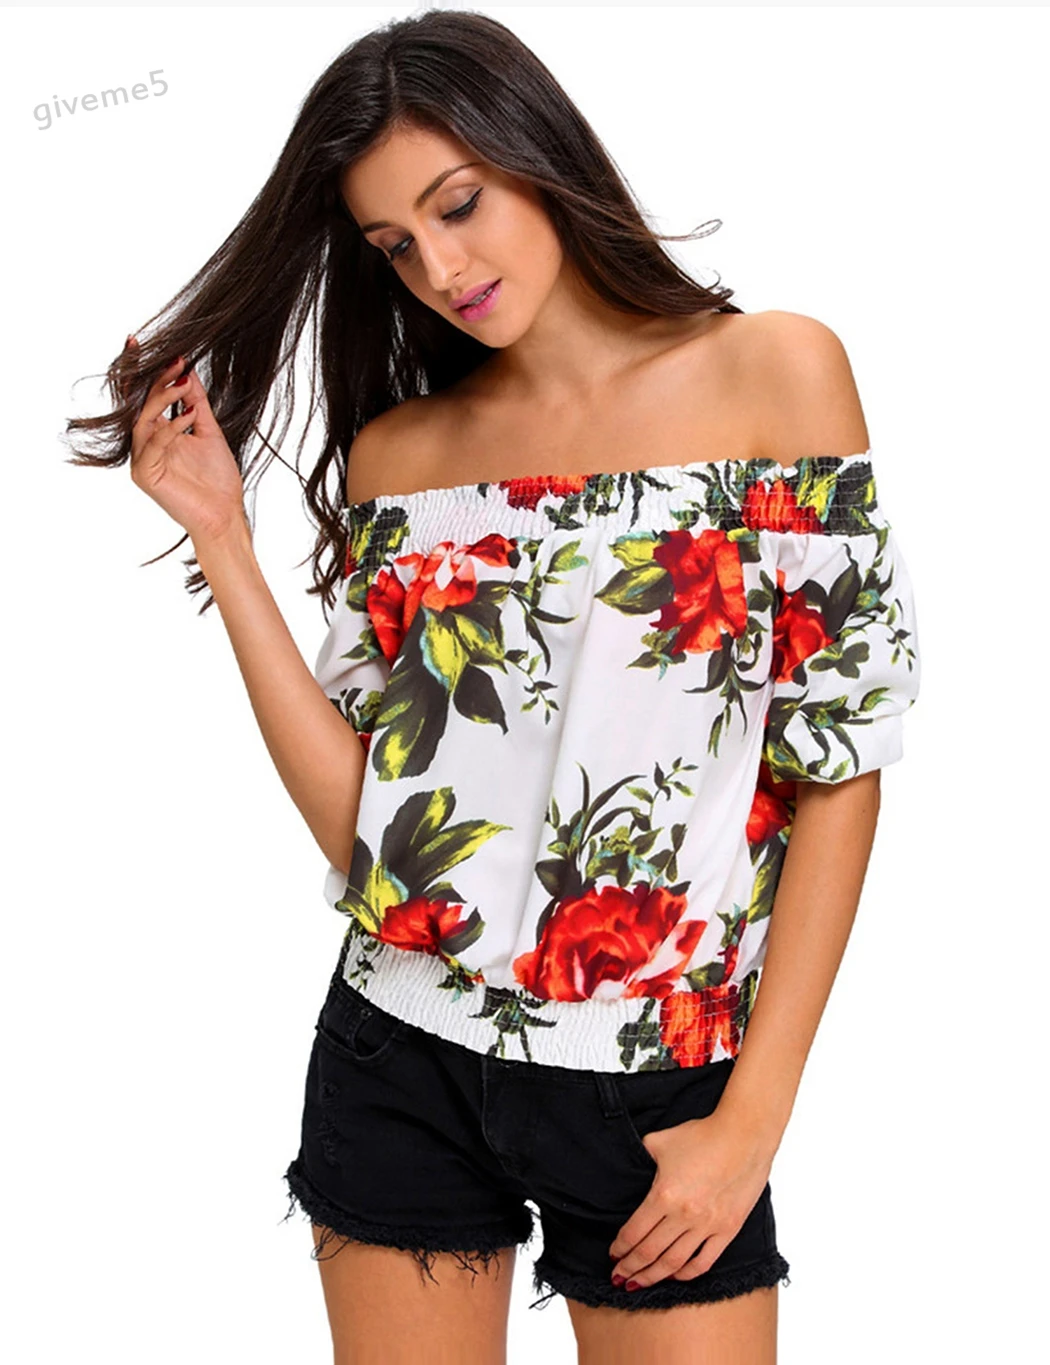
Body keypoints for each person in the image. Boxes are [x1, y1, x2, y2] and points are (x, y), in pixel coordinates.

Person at [66, 10, 921, 1363]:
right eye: (394, 245)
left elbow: (841, 766)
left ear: (538, 152)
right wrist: (223, 541)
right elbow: (376, 837)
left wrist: (751, 1123)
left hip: (660, 1077)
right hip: (397, 1055)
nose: (442, 268)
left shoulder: (774, 373)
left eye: (456, 205)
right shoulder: (403, 457)